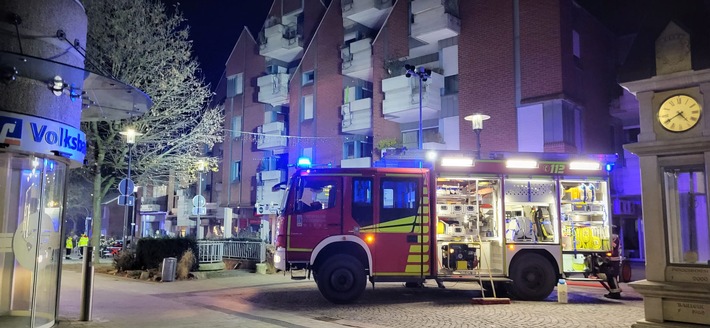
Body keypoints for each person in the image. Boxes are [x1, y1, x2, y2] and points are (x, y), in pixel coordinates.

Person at [603, 234, 622, 299]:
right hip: (613, 260)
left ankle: (616, 293)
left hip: (614, 260)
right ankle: (613, 292)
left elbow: (613, 246)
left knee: (612, 276)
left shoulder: (615, 238)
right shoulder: (615, 238)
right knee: (610, 277)